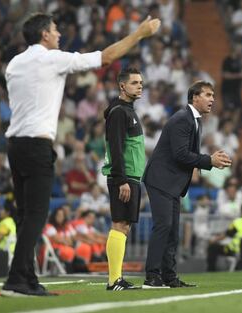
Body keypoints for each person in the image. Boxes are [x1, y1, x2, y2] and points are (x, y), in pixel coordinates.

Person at [2, 12, 160, 297]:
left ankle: (25, 277)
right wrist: (139, 34)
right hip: (37, 144)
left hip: (14, 144)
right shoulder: (52, 58)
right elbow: (106, 57)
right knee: (36, 216)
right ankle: (17, 278)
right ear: (44, 35)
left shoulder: (14, 63)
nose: (59, 34)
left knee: (25, 215)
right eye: (54, 29)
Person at [142, 81, 232, 288]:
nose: (212, 99)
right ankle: (152, 276)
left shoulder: (194, 120)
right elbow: (180, 154)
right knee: (164, 226)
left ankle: (169, 277)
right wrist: (209, 160)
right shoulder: (183, 119)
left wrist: (203, 164)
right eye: (208, 95)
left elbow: (183, 155)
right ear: (194, 97)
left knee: (172, 231)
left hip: (171, 183)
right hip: (161, 180)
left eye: (213, 95)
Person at [101, 67, 146, 290]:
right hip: (124, 177)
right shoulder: (119, 112)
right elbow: (116, 148)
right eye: (135, 82)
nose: (140, 86)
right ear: (122, 86)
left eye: (141, 83)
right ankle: (113, 280)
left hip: (131, 176)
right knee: (119, 223)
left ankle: (116, 278)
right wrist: (121, 180)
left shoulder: (127, 110)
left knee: (124, 226)